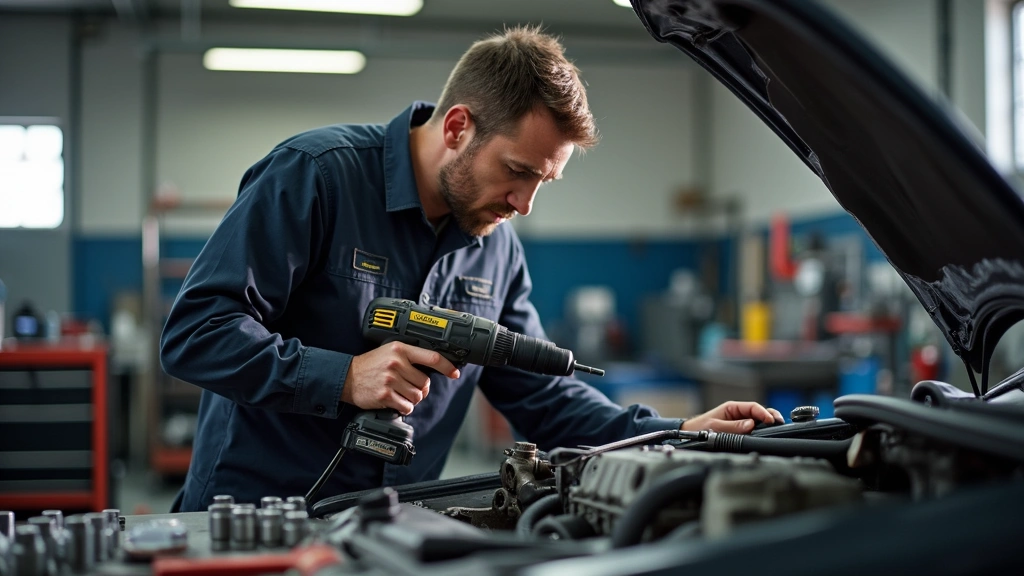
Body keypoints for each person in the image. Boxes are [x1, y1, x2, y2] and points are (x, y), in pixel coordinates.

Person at [160, 26, 784, 511]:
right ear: (457, 126)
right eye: (517, 171)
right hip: (248, 521)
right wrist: (342, 377)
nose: (524, 204)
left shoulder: (497, 244)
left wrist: (676, 433)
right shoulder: (316, 176)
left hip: (386, 526)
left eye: (544, 181)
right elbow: (196, 333)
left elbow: (541, 393)